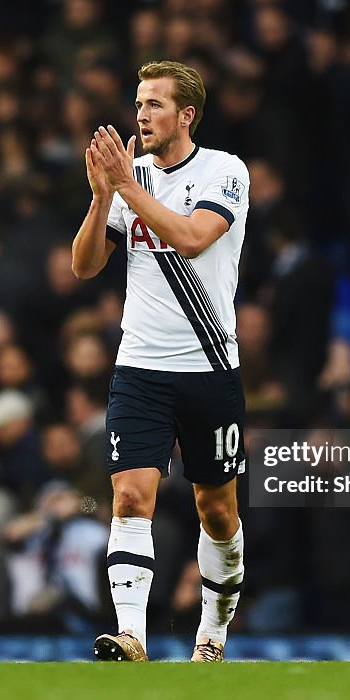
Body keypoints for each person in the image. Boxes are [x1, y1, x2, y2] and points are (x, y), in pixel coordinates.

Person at [71, 60, 249, 662]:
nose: (141, 115)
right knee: (127, 497)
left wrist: (123, 187)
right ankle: (131, 636)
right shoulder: (130, 177)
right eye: (139, 103)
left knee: (216, 510)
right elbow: (85, 265)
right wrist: (100, 201)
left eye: (155, 105)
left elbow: (194, 237)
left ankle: (212, 635)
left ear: (186, 114)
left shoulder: (224, 171)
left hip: (208, 368)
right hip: (139, 367)